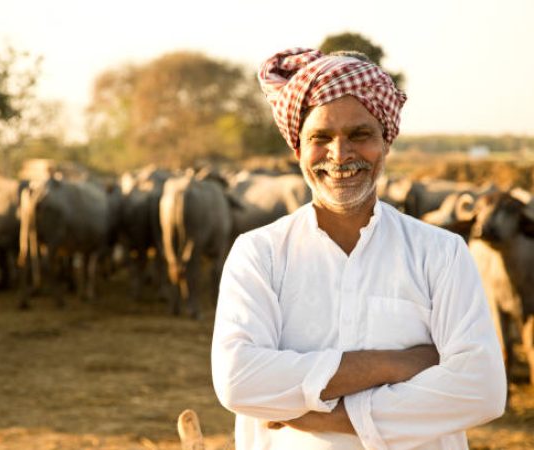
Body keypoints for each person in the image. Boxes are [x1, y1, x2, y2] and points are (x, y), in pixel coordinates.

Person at [211, 47, 506, 450]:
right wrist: (399, 363)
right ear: (298, 149)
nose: (340, 154)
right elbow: (239, 381)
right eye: (320, 137)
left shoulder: (442, 253)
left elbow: (481, 389)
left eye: (360, 135)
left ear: (386, 143)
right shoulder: (258, 255)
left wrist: (327, 415)